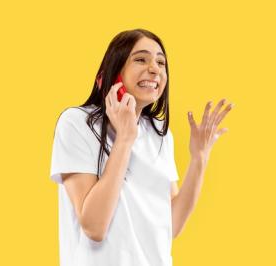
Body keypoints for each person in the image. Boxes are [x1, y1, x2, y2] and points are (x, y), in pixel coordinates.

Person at [50, 28, 234, 266]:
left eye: (161, 62)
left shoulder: (160, 134)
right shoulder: (77, 123)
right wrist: (125, 138)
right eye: (140, 59)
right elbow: (94, 227)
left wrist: (199, 158)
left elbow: (172, 223)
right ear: (108, 77)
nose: (155, 69)